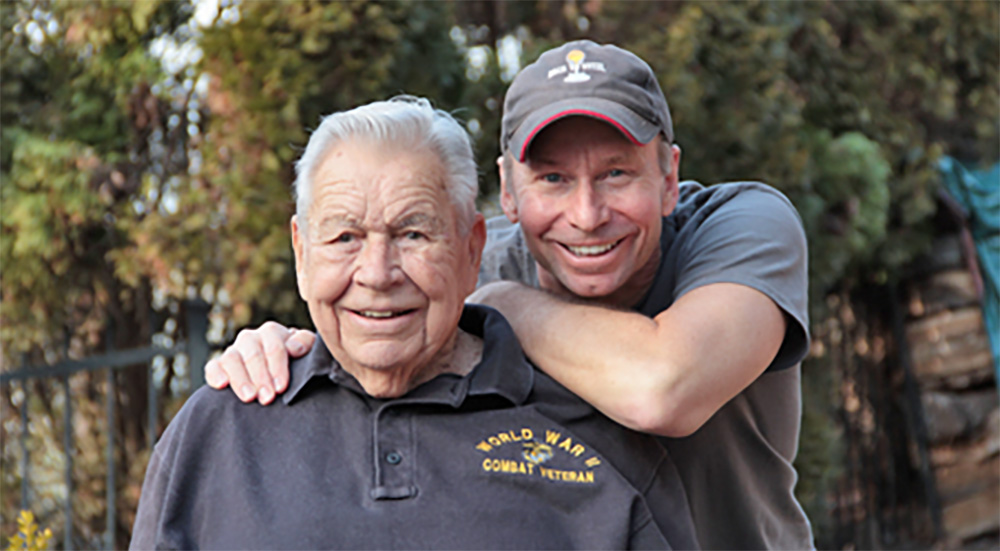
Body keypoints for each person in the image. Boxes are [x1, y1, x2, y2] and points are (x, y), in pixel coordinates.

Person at [209, 41, 813, 550]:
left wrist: (504, 302)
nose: (586, 215)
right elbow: (364, 332)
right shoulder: (458, 261)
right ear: (507, 191)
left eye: (616, 173)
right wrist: (271, 350)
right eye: (552, 178)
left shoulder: (742, 227)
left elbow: (662, 388)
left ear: (669, 177)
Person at [130, 96, 698, 550]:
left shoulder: (595, 440)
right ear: (302, 253)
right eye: (345, 237)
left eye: (413, 234)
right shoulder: (218, 431)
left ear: (472, 249)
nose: (377, 273)